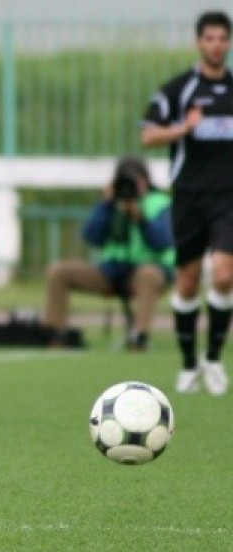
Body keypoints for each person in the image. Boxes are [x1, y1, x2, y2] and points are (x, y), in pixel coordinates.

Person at [141, 10, 233, 395]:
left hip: (228, 198)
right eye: (210, 38)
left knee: (225, 276)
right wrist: (184, 127)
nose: (216, 45)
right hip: (189, 197)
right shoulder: (178, 90)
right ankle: (188, 364)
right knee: (188, 281)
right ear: (199, 42)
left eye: (222, 38)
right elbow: (148, 136)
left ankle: (213, 360)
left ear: (229, 42)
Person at [41, 156, 174, 351]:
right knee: (58, 271)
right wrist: (105, 204)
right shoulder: (111, 205)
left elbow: (163, 241)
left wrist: (140, 218)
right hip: (112, 270)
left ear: (146, 181)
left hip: (149, 271)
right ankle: (55, 335)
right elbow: (92, 236)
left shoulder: (160, 203)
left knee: (148, 275)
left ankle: (139, 337)